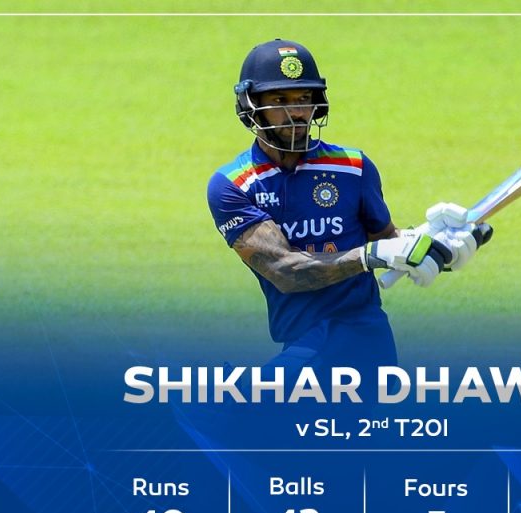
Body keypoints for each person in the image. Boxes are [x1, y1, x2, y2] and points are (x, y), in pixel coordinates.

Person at [207, 39, 485, 374]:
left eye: (304, 99)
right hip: (303, 341)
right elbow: (285, 270)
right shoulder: (233, 185)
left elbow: (387, 240)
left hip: (360, 336)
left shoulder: (353, 167)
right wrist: (372, 255)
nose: (296, 112)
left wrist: (433, 243)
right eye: (280, 100)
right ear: (251, 106)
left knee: (243, 400)